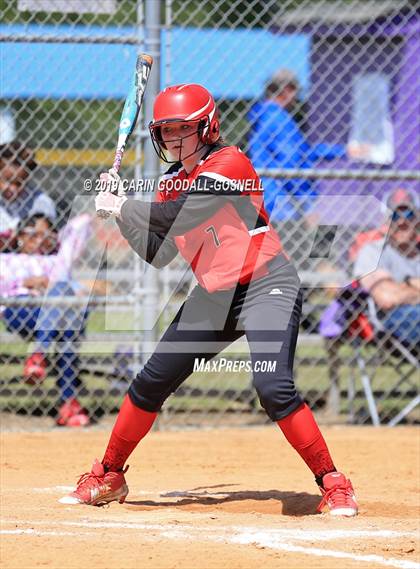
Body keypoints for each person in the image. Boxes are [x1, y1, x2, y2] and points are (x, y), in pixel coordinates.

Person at [60, 84, 358, 516]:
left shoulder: (229, 163)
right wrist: (117, 214)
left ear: (208, 127)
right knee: (150, 382)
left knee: (273, 387)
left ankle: (333, 481)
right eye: (166, 131)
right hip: (214, 294)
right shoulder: (169, 183)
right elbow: (155, 252)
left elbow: (182, 213)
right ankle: (109, 474)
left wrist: (123, 203)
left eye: (184, 129)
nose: (174, 139)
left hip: (265, 284)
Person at [248, 69, 348, 268]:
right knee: (293, 258)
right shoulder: (279, 119)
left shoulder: (264, 116)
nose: (296, 96)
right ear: (286, 90)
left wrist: (341, 151)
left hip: (269, 198)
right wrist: (307, 205)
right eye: (294, 90)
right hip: (284, 203)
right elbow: (292, 164)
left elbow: (301, 152)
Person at [0, 213, 92, 426]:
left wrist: (62, 289)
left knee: (65, 311)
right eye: (34, 235)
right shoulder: (6, 259)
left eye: (46, 235)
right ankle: (69, 402)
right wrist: (27, 282)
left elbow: (83, 222)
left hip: (56, 313)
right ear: (20, 236)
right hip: (22, 309)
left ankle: (38, 355)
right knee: (66, 320)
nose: (40, 240)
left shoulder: (55, 261)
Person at [353, 190, 419, 351]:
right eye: (395, 215)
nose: (402, 221)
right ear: (387, 220)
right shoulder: (372, 251)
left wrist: (405, 286)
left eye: (409, 214)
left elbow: (396, 293)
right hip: (394, 323)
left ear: (417, 219)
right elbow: (387, 297)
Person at [0, 142, 56, 239]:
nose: (13, 189)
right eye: (7, 181)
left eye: (19, 184)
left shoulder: (40, 202)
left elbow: (39, 240)